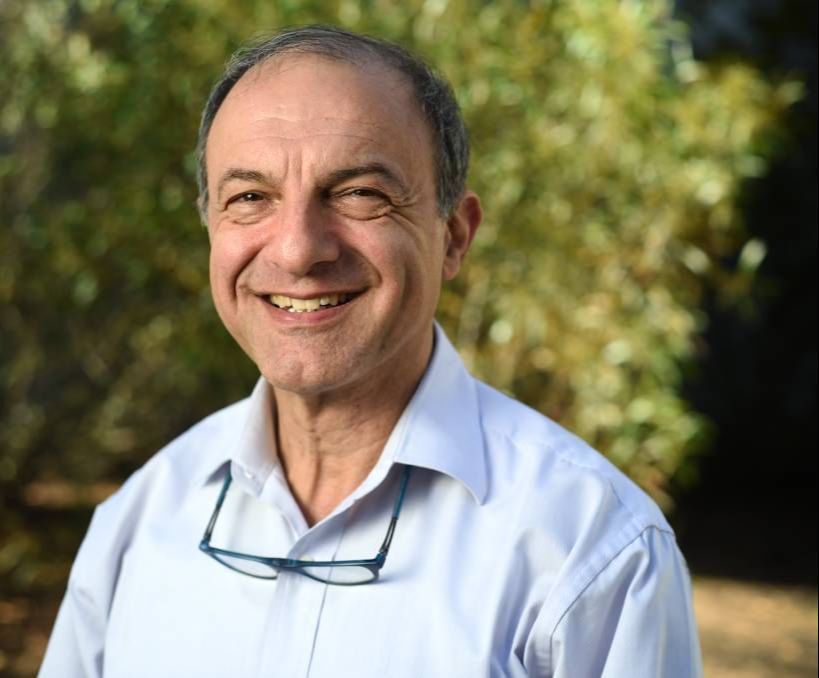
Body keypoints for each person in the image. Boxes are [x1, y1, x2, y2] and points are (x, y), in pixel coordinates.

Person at [39, 25, 703, 678]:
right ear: (211, 228)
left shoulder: (592, 549)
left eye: (359, 194)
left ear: (453, 237)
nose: (297, 250)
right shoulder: (139, 522)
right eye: (250, 198)